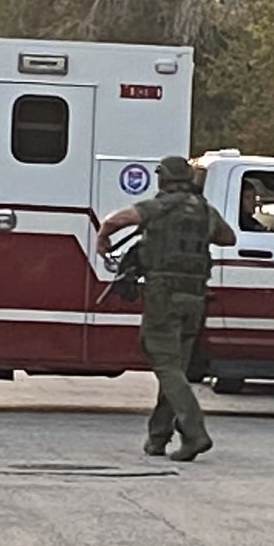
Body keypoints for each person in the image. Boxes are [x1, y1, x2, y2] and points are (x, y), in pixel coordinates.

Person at [96, 156, 236, 461]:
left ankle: (195, 433)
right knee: (176, 368)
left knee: (164, 363)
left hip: (164, 294)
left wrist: (103, 236)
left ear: (163, 178)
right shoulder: (204, 211)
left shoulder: (158, 207)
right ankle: (158, 437)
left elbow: (115, 221)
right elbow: (228, 236)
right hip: (195, 297)